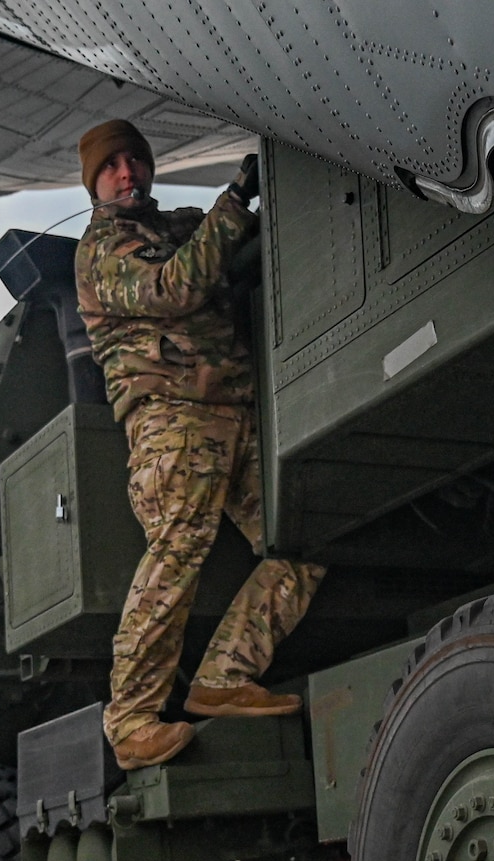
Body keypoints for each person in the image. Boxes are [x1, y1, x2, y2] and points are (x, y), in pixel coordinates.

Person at [74, 120, 324, 770]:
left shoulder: (173, 224)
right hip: (172, 421)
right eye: (112, 167)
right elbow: (176, 288)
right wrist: (235, 200)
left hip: (233, 414)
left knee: (296, 546)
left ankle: (224, 675)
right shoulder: (104, 249)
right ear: (94, 183)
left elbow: (223, 242)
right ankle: (130, 719)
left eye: (135, 161)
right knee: (177, 549)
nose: (127, 173)